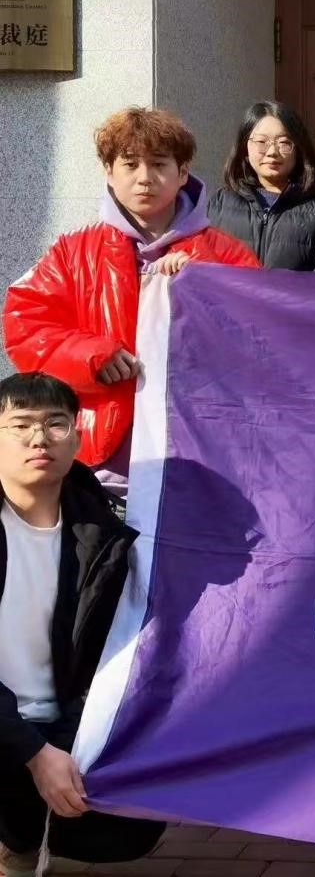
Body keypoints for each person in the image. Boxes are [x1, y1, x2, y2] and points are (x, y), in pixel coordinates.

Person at [3, 107, 261, 497]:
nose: (145, 177)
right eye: (130, 164)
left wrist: (202, 285)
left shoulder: (226, 255)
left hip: (204, 461)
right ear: (109, 171)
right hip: (101, 465)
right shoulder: (73, 251)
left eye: (159, 164)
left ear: (183, 172)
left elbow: (258, 340)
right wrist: (90, 356)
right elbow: (25, 326)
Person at [0, 373, 166, 877]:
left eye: (56, 424)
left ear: (77, 437)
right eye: (20, 425)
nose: (39, 438)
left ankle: (23, 836)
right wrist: (34, 753)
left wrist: (67, 743)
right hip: (8, 724)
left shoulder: (101, 534)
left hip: (60, 719)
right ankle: (14, 843)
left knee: (124, 828)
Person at [207, 100, 315, 272]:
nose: (272, 152)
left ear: (298, 149)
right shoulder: (217, 205)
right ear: (245, 148)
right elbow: (201, 265)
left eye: (284, 142)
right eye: (261, 142)